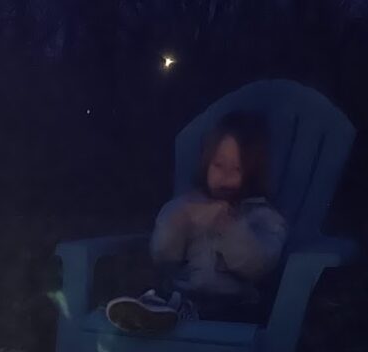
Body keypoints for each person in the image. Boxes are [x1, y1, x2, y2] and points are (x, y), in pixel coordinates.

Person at [106, 110, 288, 333]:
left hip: (235, 304)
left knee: (228, 311)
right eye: (218, 165)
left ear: (252, 172)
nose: (225, 177)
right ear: (206, 163)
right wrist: (180, 222)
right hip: (182, 293)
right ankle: (149, 311)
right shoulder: (186, 206)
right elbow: (162, 255)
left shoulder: (263, 215)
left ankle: (166, 315)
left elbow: (259, 264)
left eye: (237, 169)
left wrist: (229, 227)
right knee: (164, 294)